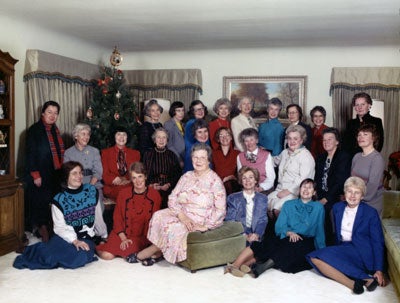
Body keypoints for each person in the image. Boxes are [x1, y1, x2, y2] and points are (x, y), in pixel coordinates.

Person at [132, 143, 226, 266]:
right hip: (181, 213)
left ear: (208, 160)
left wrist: (206, 226)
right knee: (158, 216)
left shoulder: (215, 181)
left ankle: (146, 253)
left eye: (202, 158)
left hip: (198, 219)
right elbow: (172, 198)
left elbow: (220, 209)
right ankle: (159, 254)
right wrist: (181, 215)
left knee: (173, 228)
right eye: (195, 157)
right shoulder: (186, 176)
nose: (198, 161)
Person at [14, 161, 108, 270]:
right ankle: (31, 250)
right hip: (65, 236)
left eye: (80, 173)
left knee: (78, 258)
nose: (79, 176)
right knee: (48, 257)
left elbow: (98, 217)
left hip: (85, 238)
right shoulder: (58, 199)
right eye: (74, 173)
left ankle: (48, 250)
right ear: (66, 177)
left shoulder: (91, 191)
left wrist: (104, 235)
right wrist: (74, 240)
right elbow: (59, 227)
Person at [226, 178, 325, 278]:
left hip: (305, 240)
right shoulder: (288, 204)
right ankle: (235, 265)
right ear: (299, 190)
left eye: (310, 188)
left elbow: (319, 230)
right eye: (304, 187)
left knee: (290, 248)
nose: (306, 190)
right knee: (268, 243)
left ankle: (258, 266)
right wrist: (288, 232)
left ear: (314, 192)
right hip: (287, 235)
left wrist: (322, 252)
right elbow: (279, 225)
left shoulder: (318, 207)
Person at [307, 176, 385, 295]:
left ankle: (363, 277)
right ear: (345, 193)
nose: (352, 196)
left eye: (357, 192)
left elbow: (377, 242)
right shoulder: (337, 208)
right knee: (314, 258)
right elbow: (335, 234)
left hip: (361, 252)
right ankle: (356, 283)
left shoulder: (370, 212)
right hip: (343, 247)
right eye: (349, 191)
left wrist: (379, 270)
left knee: (319, 257)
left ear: (362, 196)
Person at [96, 162, 161, 261]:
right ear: (131, 179)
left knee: (127, 253)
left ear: (145, 177)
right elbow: (117, 218)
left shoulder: (154, 195)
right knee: (107, 256)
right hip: (121, 233)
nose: (138, 181)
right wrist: (124, 239)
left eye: (140, 176)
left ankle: (116, 247)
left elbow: (156, 221)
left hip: (141, 237)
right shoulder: (123, 194)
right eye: (134, 177)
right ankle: (99, 246)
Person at [25, 100, 65, 242]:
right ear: (43, 113)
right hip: (40, 173)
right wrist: (35, 175)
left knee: (54, 201)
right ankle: (42, 229)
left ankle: (51, 228)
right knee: (41, 202)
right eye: (49, 112)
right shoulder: (34, 130)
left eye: (55, 113)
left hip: (54, 172)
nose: (52, 116)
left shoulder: (55, 129)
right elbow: (30, 155)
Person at [267, 125, 315, 218]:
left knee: (278, 209)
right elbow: (273, 162)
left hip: (296, 193)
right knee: (263, 203)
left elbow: (304, 180)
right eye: (289, 138)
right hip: (280, 189)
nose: (292, 141)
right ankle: (274, 231)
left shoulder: (306, 156)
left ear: (301, 140)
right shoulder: (285, 152)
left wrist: (288, 191)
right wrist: (260, 155)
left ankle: (287, 232)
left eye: (295, 139)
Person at [315, 128, 351, 245]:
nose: (326, 142)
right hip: (322, 195)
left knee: (324, 210)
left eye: (330, 139)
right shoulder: (321, 157)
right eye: (324, 140)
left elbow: (340, 182)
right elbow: (317, 179)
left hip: (337, 195)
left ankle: (330, 245)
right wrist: (317, 195)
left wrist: (326, 199)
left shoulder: (343, 157)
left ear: (337, 141)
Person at [64, 123, 104, 209]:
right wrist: (78, 188)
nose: (86, 137)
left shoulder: (94, 151)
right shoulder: (68, 153)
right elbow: (67, 174)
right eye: (83, 134)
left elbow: (98, 171)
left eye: (88, 134)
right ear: (76, 136)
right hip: (75, 185)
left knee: (97, 208)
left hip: (93, 184)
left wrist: (90, 187)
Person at [225, 166, 268, 245]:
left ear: (255, 180)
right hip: (239, 234)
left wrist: (256, 234)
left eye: (251, 177)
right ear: (241, 181)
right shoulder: (233, 198)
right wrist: (244, 235)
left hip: (256, 234)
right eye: (244, 178)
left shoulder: (263, 198)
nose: (248, 180)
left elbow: (262, 220)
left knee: (258, 247)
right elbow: (230, 221)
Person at [143, 128, 181, 208]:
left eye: (164, 137)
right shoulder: (148, 155)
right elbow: (143, 174)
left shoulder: (172, 155)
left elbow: (178, 174)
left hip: (169, 187)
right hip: (152, 187)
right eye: (158, 137)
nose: (161, 140)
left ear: (167, 140)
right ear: (154, 140)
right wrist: (151, 185)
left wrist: (169, 184)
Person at [351, 124, 384, 216]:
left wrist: (354, 198)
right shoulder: (356, 156)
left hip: (370, 202)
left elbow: (372, 186)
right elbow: (352, 181)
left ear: (373, 138)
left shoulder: (377, 159)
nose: (361, 137)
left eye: (365, 134)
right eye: (359, 135)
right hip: (355, 199)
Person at [101, 127, 140, 200]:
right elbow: (104, 173)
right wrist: (113, 179)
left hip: (129, 185)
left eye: (124, 135)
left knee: (128, 193)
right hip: (112, 187)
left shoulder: (135, 154)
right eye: (118, 134)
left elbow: (137, 173)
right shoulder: (106, 153)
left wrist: (127, 179)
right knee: (124, 195)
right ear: (114, 136)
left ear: (127, 137)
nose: (121, 137)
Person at [343, 92, 384, 156]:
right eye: (357, 105)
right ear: (355, 107)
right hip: (352, 158)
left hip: (370, 157)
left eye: (363, 104)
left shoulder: (377, 121)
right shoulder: (350, 123)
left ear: (369, 105)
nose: (360, 107)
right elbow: (346, 144)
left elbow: (379, 143)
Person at [237, 128, 275, 194]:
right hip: (247, 189)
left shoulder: (266, 155)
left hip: (264, 189)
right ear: (243, 142)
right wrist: (249, 188)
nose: (249, 143)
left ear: (256, 140)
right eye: (246, 141)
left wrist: (261, 187)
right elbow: (241, 177)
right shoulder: (240, 156)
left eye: (251, 140)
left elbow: (271, 178)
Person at [212, 127, 240, 195]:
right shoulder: (212, 153)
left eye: (227, 135)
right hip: (217, 187)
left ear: (231, 137)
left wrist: (232, 177)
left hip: (234, 186)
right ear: (218, 139)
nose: (224, 137)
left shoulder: (238, 153)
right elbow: (210, 172)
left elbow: (240, 172)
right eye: (221, 135)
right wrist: (223, 179)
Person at [164, 101, 185, 167]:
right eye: (178, 111)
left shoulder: (183, 124)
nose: (181, 113)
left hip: (184, 157)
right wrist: (179, 159)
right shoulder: (168, 124)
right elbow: (169, 145)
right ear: (173, 111)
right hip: (175, 158)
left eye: (182, 110)